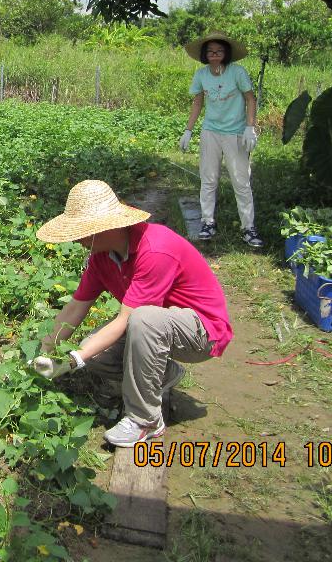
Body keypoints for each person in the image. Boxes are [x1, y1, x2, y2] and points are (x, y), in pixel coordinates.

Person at [30, 180, 234, 448]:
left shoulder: (154, 249)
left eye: (80, 232)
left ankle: (145, 420)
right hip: (158, 326)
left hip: (202, 333)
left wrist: (71, 362)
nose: (76, 239)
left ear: (103, 228)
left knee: (142, 319)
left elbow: (128, 319)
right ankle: (162, 373)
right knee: (95, 352)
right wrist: (46, 352)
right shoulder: (102, 256)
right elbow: (76, 306)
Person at [179, 31, 262, 248]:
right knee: (208, 179)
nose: (215, 55)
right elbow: (197, 102)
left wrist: (249, 127)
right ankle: (207, 222)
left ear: (226, 54)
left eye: (219, 51)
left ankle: (248, 227)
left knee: (241, 181)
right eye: (211, 52)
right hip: (210, 132)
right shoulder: (201, 75)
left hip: (235, 133)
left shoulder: (237, 72)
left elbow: (250, 99)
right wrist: (188, 130)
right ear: (205, 55)